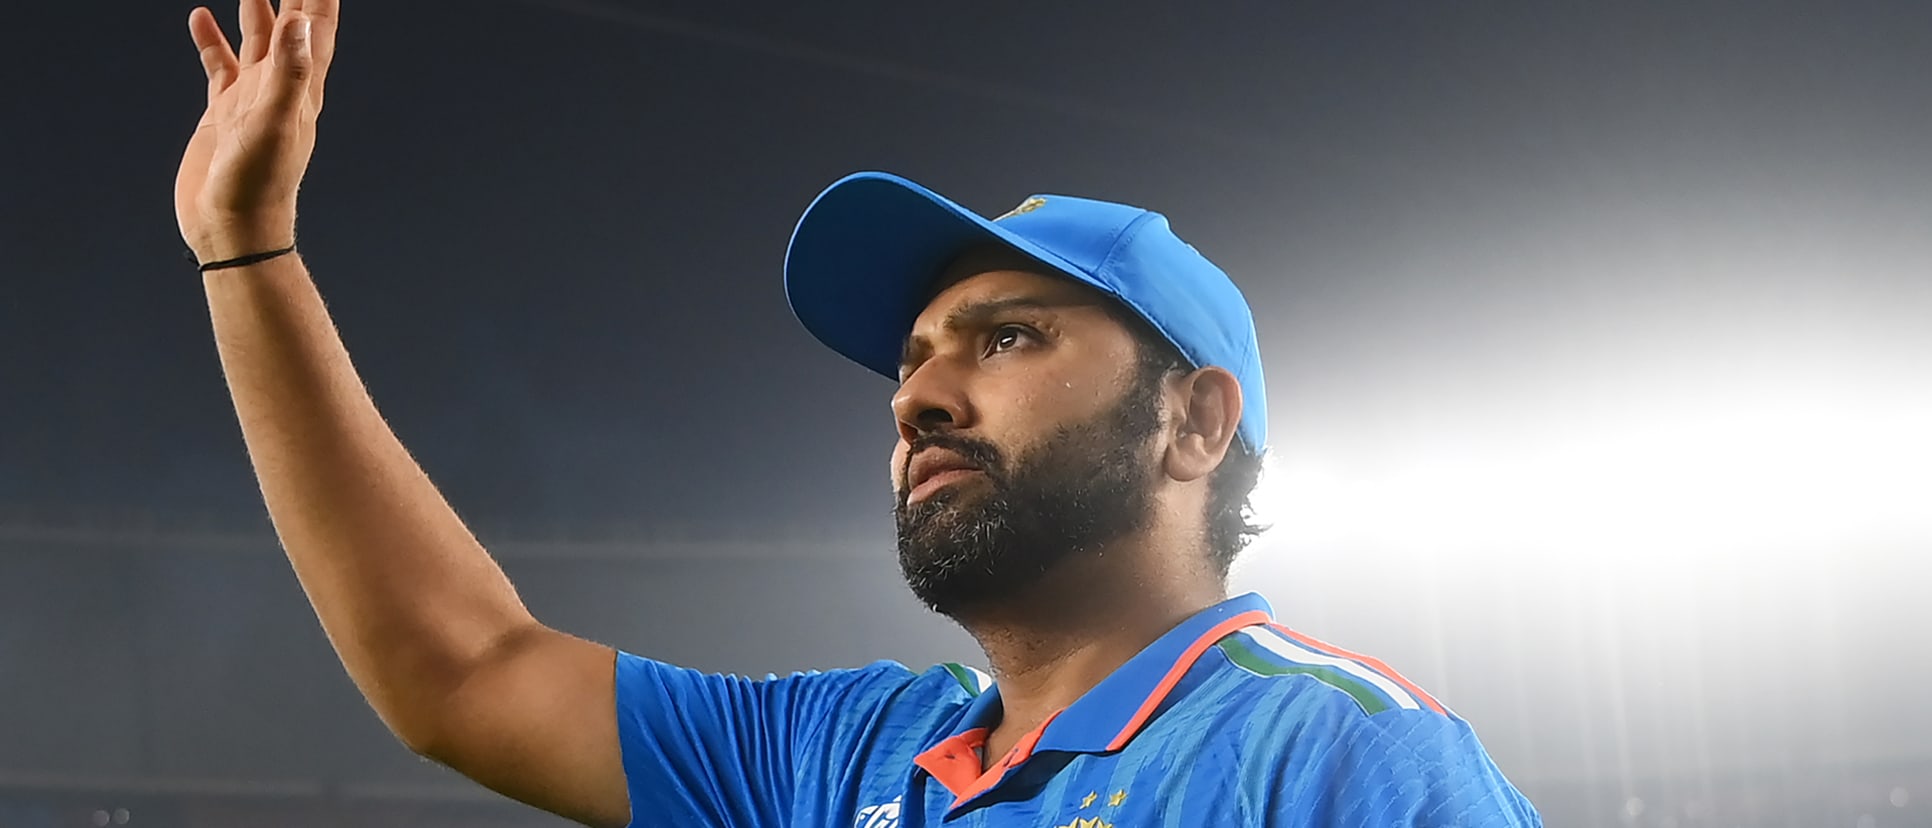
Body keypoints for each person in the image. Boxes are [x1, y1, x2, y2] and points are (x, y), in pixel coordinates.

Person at [173, 2, 1542, 826]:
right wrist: (249, 253)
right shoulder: (840, 756)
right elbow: (458, 671)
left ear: (1192, 422)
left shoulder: (1341, 758)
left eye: (1009, 338)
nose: (923, 399)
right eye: (909, 364)